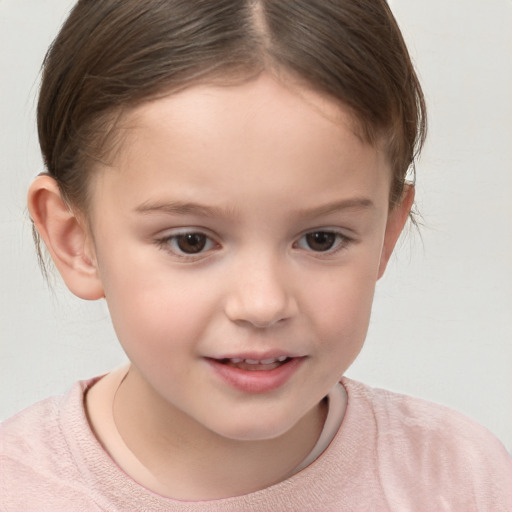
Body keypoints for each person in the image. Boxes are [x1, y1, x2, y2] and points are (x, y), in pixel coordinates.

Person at [1, 0, 510, 510]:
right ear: (75, 240)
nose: (263, 304)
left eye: (321, 239)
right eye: (191, 241)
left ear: (387, 233)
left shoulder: (460, 482)